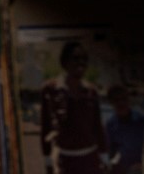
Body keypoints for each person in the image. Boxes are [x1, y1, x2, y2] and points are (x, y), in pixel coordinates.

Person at [41, 41, 106, 174]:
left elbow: (98, 126)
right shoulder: (51, 90)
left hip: (90, 159)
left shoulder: (91, 91)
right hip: (65, 160)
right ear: (64, 62)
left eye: (84, 59)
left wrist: (104, 158)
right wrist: (48, 161)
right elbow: (46, 127)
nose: (80, 63)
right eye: (75, 58)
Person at [105, 84, 144, 174]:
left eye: (124, 99)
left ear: (129, 99)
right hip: (125, 170)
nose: (121, 103)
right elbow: (112, 151)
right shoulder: (111, 124)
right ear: (111, 102)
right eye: (116, 100)